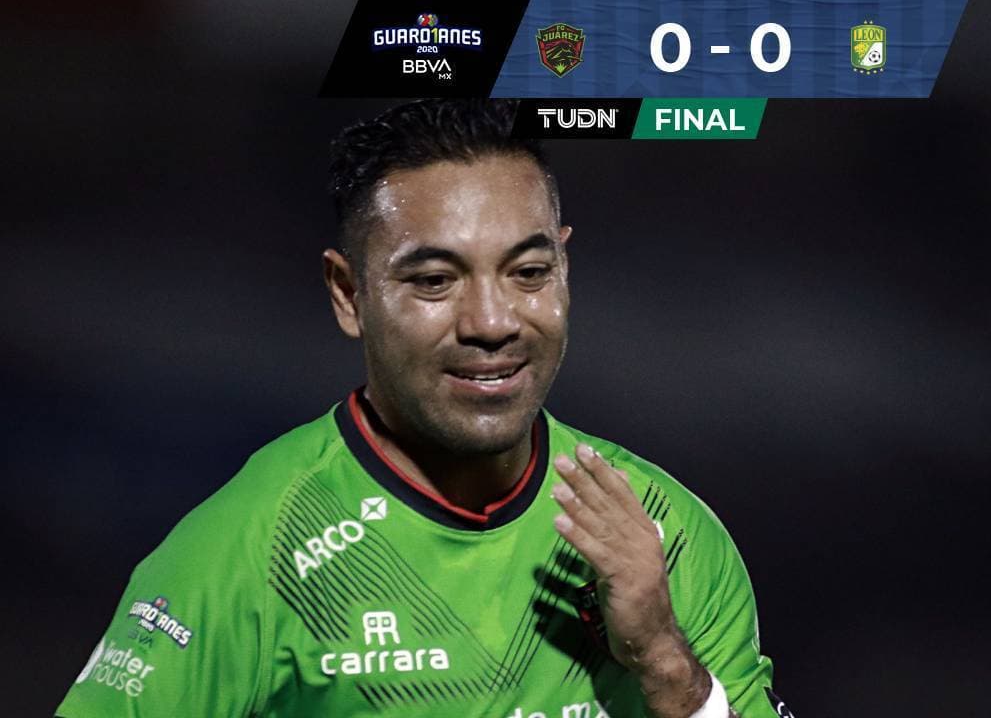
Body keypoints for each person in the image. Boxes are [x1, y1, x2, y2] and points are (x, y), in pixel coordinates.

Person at [56, 99, 790, 718]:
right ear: (349, 294)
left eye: (529, 272)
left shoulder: (668, 533)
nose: (492, 322)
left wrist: (664, 662)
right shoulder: (249, 552)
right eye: (435, 281)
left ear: (565, 269)